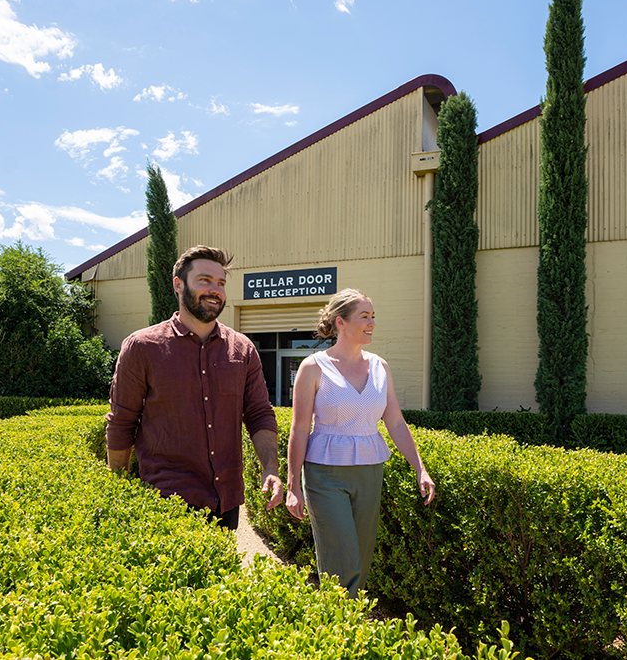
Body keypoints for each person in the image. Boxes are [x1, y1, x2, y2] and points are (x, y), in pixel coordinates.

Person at [105, 245, 283, 529]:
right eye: (204, 280)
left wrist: (270, 469)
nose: (215, 290)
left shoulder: (243, 349)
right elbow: (122, 422)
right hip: (165, 500)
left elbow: (259, 412)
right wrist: (117, 488)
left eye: (221, 283)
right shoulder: (142, 347)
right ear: (178, 285)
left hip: (225, 500)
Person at [284, 288, 436, 597]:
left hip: (369, 471)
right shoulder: (313, 367)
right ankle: (341, 623)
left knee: (362, 556)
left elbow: (395, 422)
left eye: (373, 317)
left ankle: (343, 620)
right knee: (342, 554)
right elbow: (299, 429)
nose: (372, 323)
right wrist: (293, 485)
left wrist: (420, 468)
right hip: (324, 473)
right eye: (364, 317)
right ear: (340, 322)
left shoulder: (381, 367)